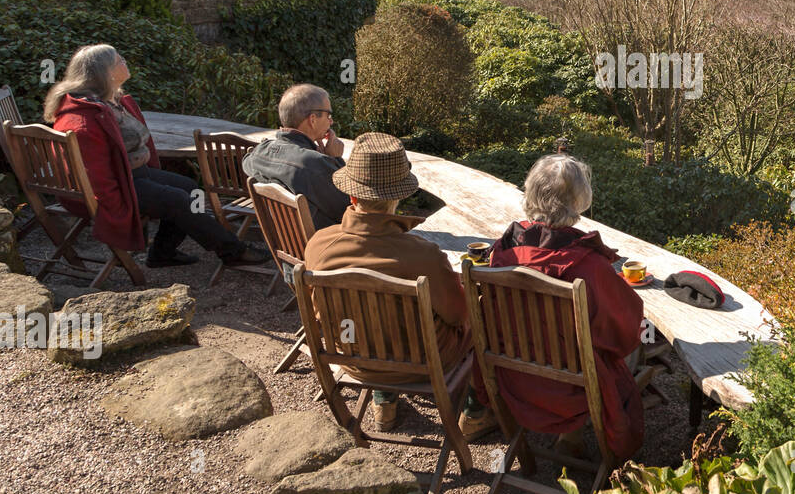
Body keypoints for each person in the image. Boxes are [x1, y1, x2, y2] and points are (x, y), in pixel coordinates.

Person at [467, 153, 645, 462]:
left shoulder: (501, 252)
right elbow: (624, 331)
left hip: (513, 379)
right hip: (573, 390)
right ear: (578, 201)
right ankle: (571, 434)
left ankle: (562, 436)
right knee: (640, 342)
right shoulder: (588, 266)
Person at [302, 132, 472, 432]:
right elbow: (459, 317)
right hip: (422, 362)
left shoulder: (319, 245)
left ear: (351, 195)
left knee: (368, 320)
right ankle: (476, 410)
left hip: (354, 358)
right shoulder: (424, 256)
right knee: (480, 317)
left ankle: (384, 402)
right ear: (400, 195)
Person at [44, 44, 269, 269]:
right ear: (107, 73)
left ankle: (162, 252)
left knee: (192, 188)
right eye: (119, 60)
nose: (124, 61)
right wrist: (119, 210)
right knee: (179, 201)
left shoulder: (109, 102)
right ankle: (233, 250)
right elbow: (96, 178)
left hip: (133, 175)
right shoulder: (83, 120)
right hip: (119, 186)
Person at [242, 84, 349, 231]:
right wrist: (336, 159)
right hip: (323, 245)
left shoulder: (258, 153)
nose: (331, 122)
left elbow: (245, 162)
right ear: (312, 119)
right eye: (328, 115)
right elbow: (349, 209)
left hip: (286, 243)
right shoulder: (314, 164)